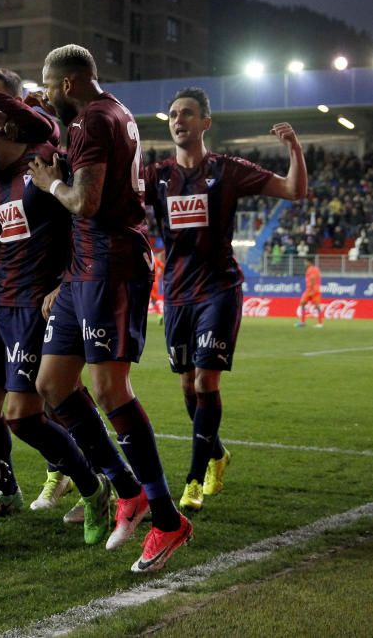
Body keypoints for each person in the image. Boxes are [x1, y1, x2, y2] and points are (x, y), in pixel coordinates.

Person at [28, 44, 191, 573]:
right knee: (52, 386)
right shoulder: (108, 113)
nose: (48, 96)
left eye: (50, 88)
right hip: (82, 270)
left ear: (70, 83)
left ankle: (168, 520)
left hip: (111, 265)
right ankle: (127, 489)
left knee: (108, 388)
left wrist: (48, 181)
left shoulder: (94, 122)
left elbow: (85, 202)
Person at [0, 109, 122, 552]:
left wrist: (66, 282)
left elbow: (83, 218)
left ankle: (93, 490)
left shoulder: (44, 160)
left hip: (33, 308)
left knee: (21, 417)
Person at [144, 87, 307, 514]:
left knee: (205, 382)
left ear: (205, 123)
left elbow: (293, 189)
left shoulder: (228, 170)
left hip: (219, 289)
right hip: (176, 295)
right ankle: (217, 453)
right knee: (187, 386)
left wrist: (294, 148)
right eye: (173, 114)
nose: (179, 120)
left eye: (188, 114)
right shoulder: (155, 175)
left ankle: (194, 480)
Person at [297, 257, 323, 328]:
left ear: (309, 262)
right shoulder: (315, 269)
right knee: (303, 303)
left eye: (305, 262)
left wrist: (311, 290)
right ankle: (303, 322)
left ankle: (319, 323)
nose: (304, 263)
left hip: (312, 290)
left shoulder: (311, 269)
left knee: (316, 306)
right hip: (312, 289)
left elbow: (313, 279)